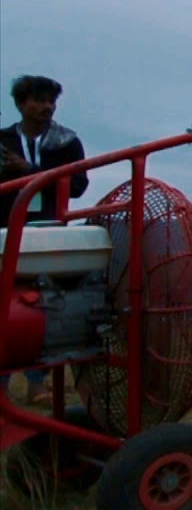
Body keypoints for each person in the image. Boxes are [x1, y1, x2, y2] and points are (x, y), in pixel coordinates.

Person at [0, 75, 90, 405]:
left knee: (42, 304)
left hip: (48, 228)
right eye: (38, 101)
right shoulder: (4, 140)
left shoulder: (66, 142)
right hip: (6, 228)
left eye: (51, 101)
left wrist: (31, 171)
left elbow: (79, 184)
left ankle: (38, 382)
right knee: (4, 304)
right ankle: (3, 383)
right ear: (22, 104)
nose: (47, 108)